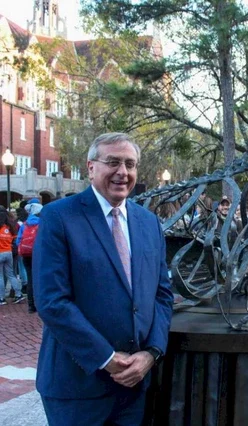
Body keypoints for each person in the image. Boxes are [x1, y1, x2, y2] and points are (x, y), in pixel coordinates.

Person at [33, 133, 173, 426]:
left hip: (133, 387)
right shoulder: (58, 216)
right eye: (113, 162)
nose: (123, 172)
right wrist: (106, 358)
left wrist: (151, 353)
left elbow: (161, 294)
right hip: (77, 388)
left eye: (130, 164)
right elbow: (52, 301)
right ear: (91, 167)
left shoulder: (149, 223)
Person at [17, 201, 43, 313]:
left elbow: (18, 240)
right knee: (40, 278)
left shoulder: (25, 224)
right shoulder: (42, 223)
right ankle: (41, 303)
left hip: (26, 254)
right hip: (39, 254)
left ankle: (31, 305)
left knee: (30, 278)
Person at [0, 206, 25, 305]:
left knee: (0, 277)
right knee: (11, 275)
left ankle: (1, 298)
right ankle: (19, 295)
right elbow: (15, 240)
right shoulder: (10, 226)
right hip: (9, 252)